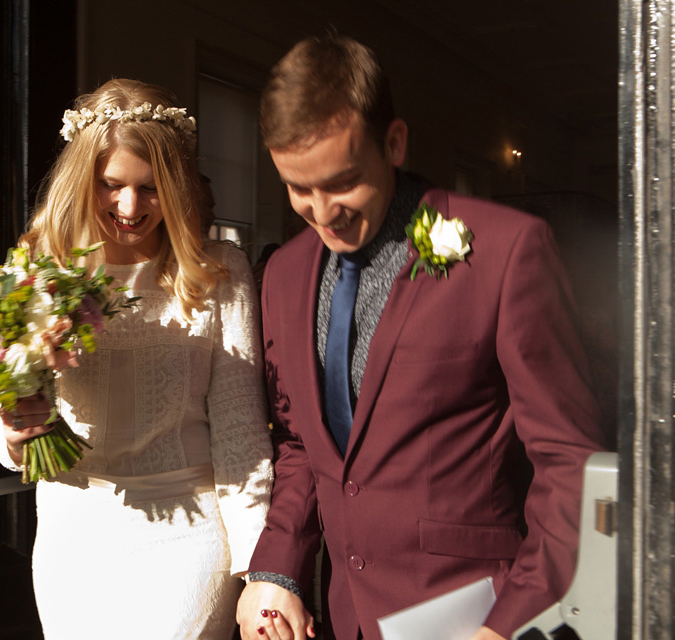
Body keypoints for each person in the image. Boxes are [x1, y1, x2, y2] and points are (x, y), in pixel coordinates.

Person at [236, 35, 606, 640]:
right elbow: (305, 447)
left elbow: (571, 464)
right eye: (299, 190)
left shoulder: (507, 250)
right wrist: (277, 571)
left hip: (475, 616)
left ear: (395, 142)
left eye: (342, 182)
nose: (323, 212)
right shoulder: (284, 274)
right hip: (347, 617)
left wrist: (507, 623)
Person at [0, 78, 274, 639]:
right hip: (73, 534)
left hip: (187, 536)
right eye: (111, 185)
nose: (129, 207)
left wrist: (259, 569)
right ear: (83, 181)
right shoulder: (40, 270)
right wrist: (13, 436)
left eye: (150, 189)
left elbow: (241, 432)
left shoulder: (220, 272)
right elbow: (11, 415)